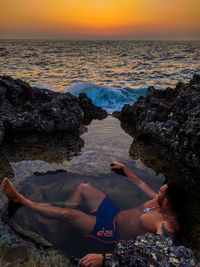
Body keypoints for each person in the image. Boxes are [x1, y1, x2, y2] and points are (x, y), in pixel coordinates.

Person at [1, 161, 183, 267]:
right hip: (113, 214)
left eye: (160, 192)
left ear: (165, 202)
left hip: (111, 232)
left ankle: (21, 200)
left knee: (71, 214)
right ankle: (58, 219)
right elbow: (143, 185)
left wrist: (104, 259)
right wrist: (126, 170)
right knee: (84, 188)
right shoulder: (159, 202)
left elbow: (154, 255)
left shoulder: (166, 225)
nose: (156, 192)